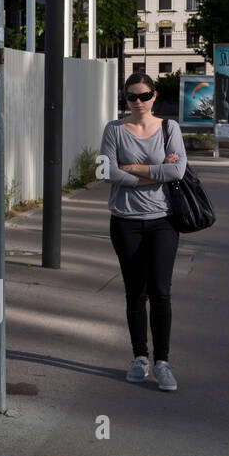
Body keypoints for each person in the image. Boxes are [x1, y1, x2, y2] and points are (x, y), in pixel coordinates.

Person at [99, 72, 188, 391]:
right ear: (125, 99)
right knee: (134, 291)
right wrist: (153, 174)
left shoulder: (169, 128)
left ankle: (162, 362)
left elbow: (177, 170)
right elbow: (105, 171)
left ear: (154, 95)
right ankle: (140, 357)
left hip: (163, 220)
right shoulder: (114, 129)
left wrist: (132, 168)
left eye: (144, 96)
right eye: (131, 97)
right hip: (125, 221)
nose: (138, 102)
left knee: (161, 292)